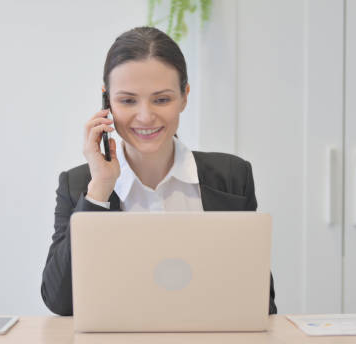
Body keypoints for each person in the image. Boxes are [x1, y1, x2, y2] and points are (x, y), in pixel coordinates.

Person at [41, 26, 276, 316]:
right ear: (107, 102)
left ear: (184, 96)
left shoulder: (232, 177)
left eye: (162, 99)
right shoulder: (80, 184)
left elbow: (259, 301)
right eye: (127, 100)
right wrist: (100, 189)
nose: (145, 116)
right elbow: (59, 302)